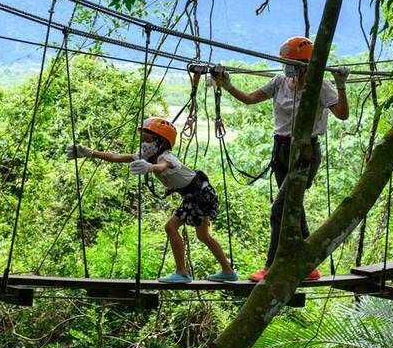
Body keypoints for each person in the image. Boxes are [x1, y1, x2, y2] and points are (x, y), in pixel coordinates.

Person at [213, 36, 349, 281]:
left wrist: (341, 85)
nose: (286, 67)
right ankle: (309, 265)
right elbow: (251, 99)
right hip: (281, 149)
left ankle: (271, 266)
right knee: (291, 205)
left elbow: (342, 114)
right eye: (284, 62)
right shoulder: (279, 81)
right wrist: (227, 85)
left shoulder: (320, 84)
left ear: (306, 64)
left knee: (279, 209)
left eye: (291, 62)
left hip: (306, 151)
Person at [66, 116, 238, 283]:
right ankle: (228, 271)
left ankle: (182, 272)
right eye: (143, 139)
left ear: (160, 142)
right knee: (203, 236)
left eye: (148, 140)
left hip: (199, 195)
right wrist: (90, 153)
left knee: (171, 227)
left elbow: (162, 167)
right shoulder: (146, 157)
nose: (143, 144)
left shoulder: (166, 158)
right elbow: (116, 157)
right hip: (201, 193)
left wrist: (149, 167)